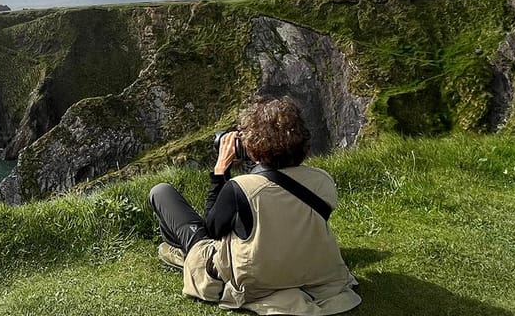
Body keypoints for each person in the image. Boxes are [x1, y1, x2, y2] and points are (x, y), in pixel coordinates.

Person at [149, 96, 361, 315]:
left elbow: (212, 230)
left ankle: (183, 255)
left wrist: (220, 170)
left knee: (161, 192)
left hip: (258, 278)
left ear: (253, 145)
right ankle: (180, 253)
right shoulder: (322, 180)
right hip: (311, 269)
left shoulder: (241, 188)